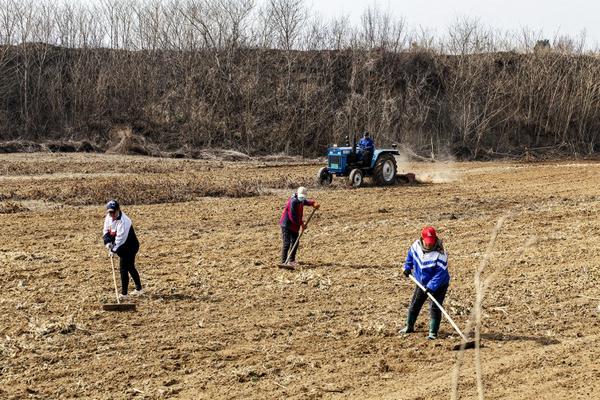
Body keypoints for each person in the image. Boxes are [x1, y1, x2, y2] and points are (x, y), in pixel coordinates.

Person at [400, 226, 450, 340]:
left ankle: (433, 332)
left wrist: (431, 287)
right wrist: (408, 267)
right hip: (421, 282)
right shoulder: (416, 246)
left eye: (431, 243)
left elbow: (440, 275)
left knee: (435, 307)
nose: (429, 245)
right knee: (415, 304)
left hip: (439, 285)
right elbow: (410, 257)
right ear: (422, 239)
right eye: (427, 242)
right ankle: (409, 326)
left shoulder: (441, 254)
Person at [102, 200, 143, 300]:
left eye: (114, 212)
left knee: (123, 268)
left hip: (130, 246)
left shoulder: (124, 222)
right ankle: (139, 289)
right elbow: (106, 230)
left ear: (118, 210)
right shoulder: (109, 217)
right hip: (121, 247)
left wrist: (113, 250)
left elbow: (120, 240)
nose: (112, 215)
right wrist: (107, 242)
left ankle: (124, 294)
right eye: (110, 212)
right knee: (130, 267)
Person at [279, 187, 320, 268]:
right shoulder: (293, 201)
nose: (302, 198)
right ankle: (283, 262)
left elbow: (306, 202)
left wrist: (313, 203)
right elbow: (292, 217)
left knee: (295, 242)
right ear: (297, 194)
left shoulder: (301, 199)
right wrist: (302, 224)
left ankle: (291, 260)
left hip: (295, 225)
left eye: (303, 197)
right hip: (287, 224)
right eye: (301, 197)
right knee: (287, 243)